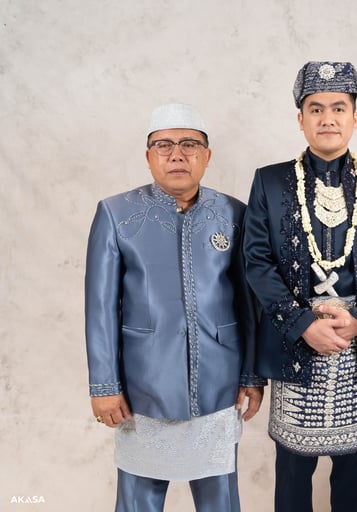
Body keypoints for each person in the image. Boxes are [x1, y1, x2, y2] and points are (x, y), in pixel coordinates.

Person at [242, 61, 357, 512]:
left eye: (339, 108)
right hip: (294, 339)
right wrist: (303, 324)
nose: (328, 118)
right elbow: (256, 262)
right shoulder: (270, 181)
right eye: (316, 109)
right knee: (292, 478)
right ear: (300, 119)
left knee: (354, 479)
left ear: (356, 116)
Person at [85, 103, 264, 512]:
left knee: (220, 500)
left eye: (189, 144)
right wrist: (104, 386)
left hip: (219, 382)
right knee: (138, 501)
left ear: (207, 155)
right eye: (163, 145)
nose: (177, 155)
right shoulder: (116, 214)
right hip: (142, 386)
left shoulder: (234, 214)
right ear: (148, 156)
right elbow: (99, 308)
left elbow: (248, 303)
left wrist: (252, 375)